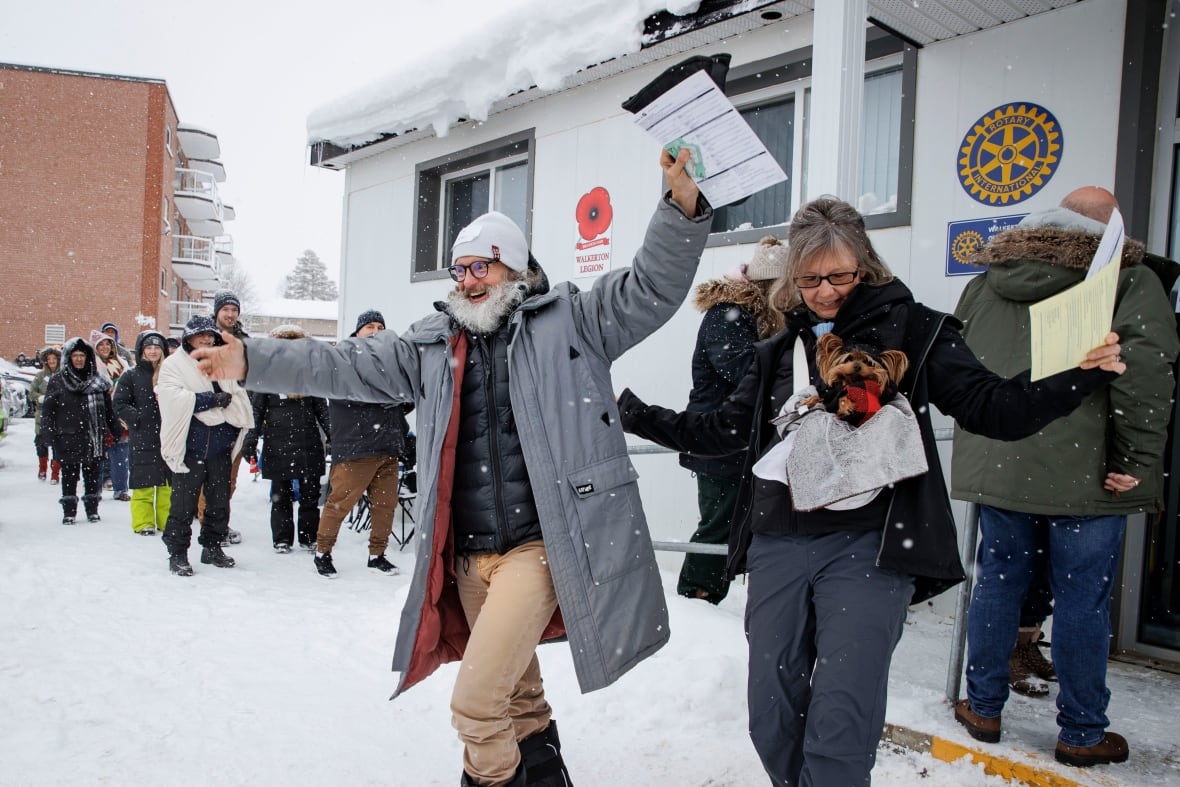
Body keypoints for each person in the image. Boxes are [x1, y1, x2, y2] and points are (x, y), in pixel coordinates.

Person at [193, 149, 710, 787]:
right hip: (467, 556)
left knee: (475, 705)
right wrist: (253, 360)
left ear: (513, 268)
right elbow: (342, 363)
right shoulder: (431, 344)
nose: (465, 280)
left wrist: (680, 207)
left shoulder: (572, 320)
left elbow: (650, 288)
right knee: (517, 701)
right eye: (458, 268)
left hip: (536, 550)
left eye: (479, 266)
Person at [616, 195, 1126, 787]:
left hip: (870, 545)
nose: (826, 291)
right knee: (771, 713)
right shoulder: (779, 349)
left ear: (866, 264)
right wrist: (625, 411)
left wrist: (1078, 376)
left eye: (840, 275)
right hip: (779, 542)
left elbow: (993, 408)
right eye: (810, 279)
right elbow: (723, 434)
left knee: (841, 716)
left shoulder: (917, 329)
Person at [950, 186, 1179, 768]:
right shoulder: (1127, 281)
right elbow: (1143, 378)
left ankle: (982, 707)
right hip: (1086, 471)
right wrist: (1134, 460)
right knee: (1083, 599)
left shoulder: (988, 279)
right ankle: (1080, 733)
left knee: (998, 581)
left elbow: (966, 370)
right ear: (1112, 230)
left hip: (1005, 460)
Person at [675, 236, 788, 605]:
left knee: (736, 524)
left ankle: (708, 597)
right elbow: (744, 369)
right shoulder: (730, 314)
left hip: (739, 443)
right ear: (769, 286)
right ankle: (696, 600)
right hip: (719, 441)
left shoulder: (752, 316)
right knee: (719, 525)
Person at [311, 309, 409, 578]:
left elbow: (404, 401)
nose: (375, 331)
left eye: (380, 326)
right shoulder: (343, 359)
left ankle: (377, 555)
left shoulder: (391, 364)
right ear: (357, 332)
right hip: (357, 448)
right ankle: (323, 553)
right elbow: (347, 397)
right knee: (339, 504)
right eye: (369, 327)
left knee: (385, 506)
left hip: (388, 446)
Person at [156, 315, 252, 576]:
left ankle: (212, 547)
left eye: (210, 335)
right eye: (201, 335)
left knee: (219, 503)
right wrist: (208, 400)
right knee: (183, 505)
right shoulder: (174, 364)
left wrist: (233, 422)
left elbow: (237, 394)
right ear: (188, 338)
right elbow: (170, 397)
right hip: (191, 447)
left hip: (220, 446)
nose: (207, 339)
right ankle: (177, 553)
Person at [241, 324, 331, 554]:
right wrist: (249, 441)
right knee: (281, 496)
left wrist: (334, 435)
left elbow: (322, 410)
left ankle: (309, 537)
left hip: (308, 441)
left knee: (310, 496)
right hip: (278, 441)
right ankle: (282, 539)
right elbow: (256, 412)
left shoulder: (311, 374)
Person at [40, 337, 119, 524]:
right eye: (74, 355)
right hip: (67, 436)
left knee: (92, 475)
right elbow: (48, 410)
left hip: (93, 436)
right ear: (68, 358)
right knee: (69, 476)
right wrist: (48, 433)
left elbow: (108, 409)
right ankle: (69, 511)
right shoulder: (58, 381)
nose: (78, 359)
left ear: (88, 357)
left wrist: (115, 429)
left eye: (82, 355)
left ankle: (92, 509)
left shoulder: (98, 380)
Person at [196, 289, 249, 545]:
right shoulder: (204, 338)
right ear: (217, 312)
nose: (230, 314)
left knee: (230, 477)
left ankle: (220, 524)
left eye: (234, 310)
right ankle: (208, 526)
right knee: (210, 477)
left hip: (238, 416)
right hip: (211, 415)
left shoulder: (244, 342)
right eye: (225, 309)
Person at [113, 331, 173, 536]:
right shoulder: (131, 375)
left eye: (157, 347)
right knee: (143, 482)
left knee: (167, 484)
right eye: (149, 347)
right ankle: (143, 522)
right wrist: (137, 418)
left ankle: (166, 521)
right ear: (142, 351)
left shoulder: (170, 373)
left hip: (168, 436)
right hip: (142, 436)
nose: (153, 351)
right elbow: (119, 403)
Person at [93, 330, 132, 501]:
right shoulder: (91, 364)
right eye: (101, 344)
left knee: (120, 452)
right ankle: (95, 489)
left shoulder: (121, 363)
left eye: (108, 344)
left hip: (119, 413)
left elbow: (130, 384)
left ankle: (121, 489)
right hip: (99, 412)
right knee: (97, 453)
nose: (104, 347)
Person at [30, 346, 62, 482]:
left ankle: (55, 472)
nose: (52, 361)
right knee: (41, 442)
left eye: (54, 358)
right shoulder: (40, 376)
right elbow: (31, 393)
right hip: (42, 414)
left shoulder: (64, 375)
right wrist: (40, 398)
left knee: (58, 444)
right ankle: (42, 469)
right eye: (49, 359)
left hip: (59, 414)